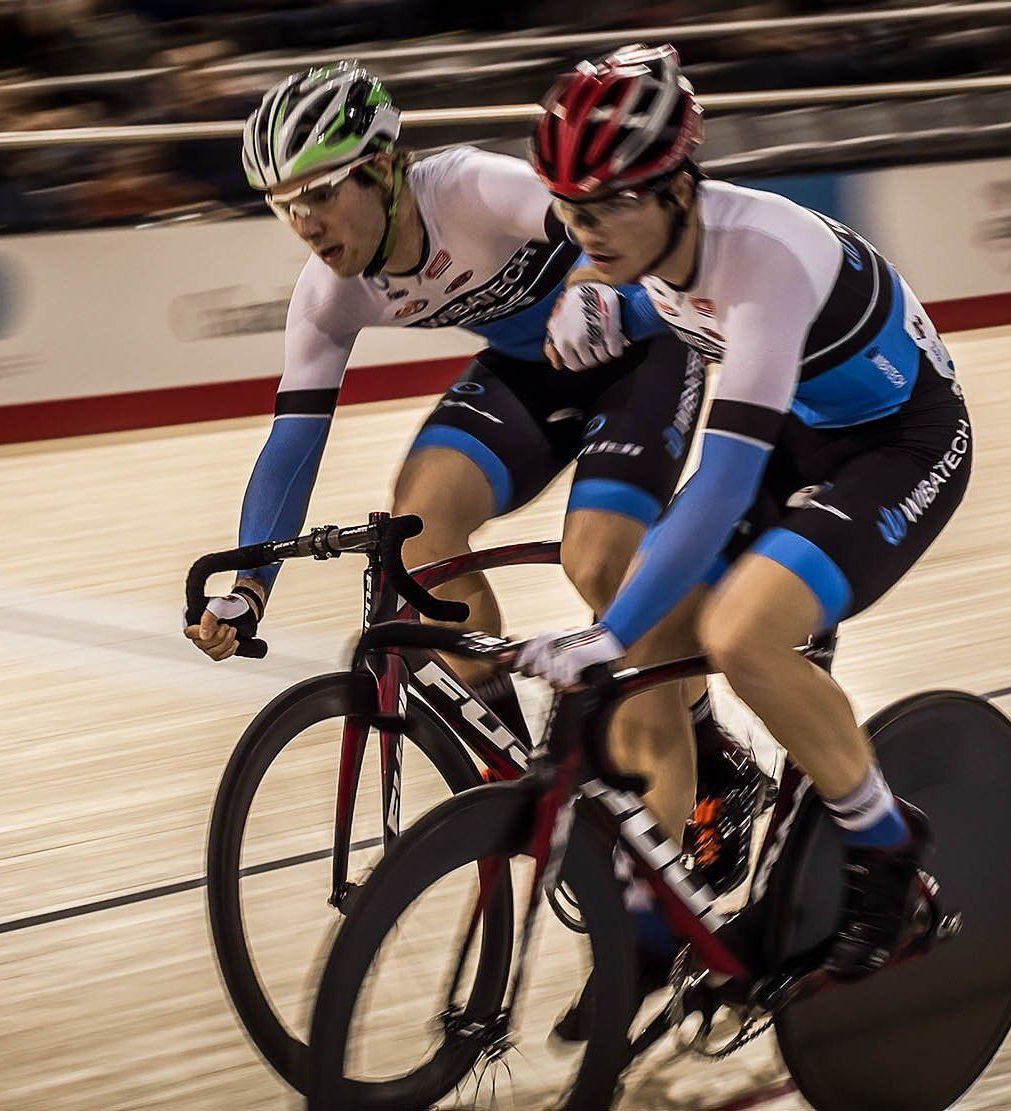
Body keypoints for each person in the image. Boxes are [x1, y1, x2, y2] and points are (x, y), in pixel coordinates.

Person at [519, 44, 972, 990]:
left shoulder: (765, 257)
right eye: (565, 201)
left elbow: (722, 481)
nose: (579, 225)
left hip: (900, 443)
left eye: (603, 204)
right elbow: (678, 300)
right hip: (806, 437)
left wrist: (608, 630)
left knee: (739, 634)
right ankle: (659, 908)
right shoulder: (658, 241)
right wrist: (616, 310)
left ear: (678, 187)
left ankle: (887, 852)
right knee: (658, 640)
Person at [183, 62, 706, 758]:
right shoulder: (326, 295)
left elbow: (600, 219)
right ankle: (511, 773)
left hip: (641, 353)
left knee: (599, 561)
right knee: (418, 532)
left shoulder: (465, 188)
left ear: (387, 167)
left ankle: (706, 750)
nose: (304, 222)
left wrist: (592, 288)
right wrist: (250, 587)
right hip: (532, 371)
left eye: (319, 192)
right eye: (284, 204)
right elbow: (292, 444)